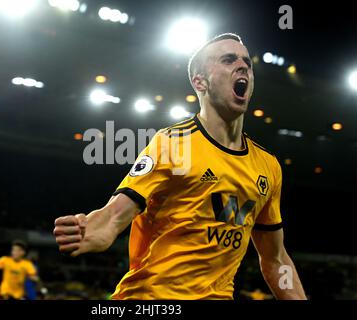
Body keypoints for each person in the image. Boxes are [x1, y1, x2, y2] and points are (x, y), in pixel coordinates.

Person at [54, 33, 306, 300]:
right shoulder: (172, 144)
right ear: (200, 82)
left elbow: (275, 260)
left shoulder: (268, 166)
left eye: (246, 62)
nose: (242, 65)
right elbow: (117, 212)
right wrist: (98, 230)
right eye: (228, 60)